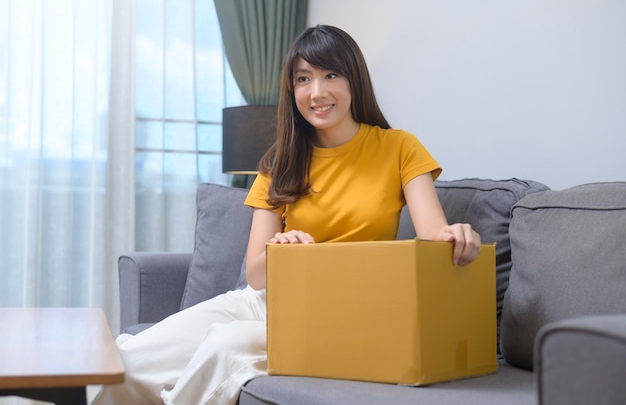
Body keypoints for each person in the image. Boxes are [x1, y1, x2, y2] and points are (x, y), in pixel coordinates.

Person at [92, 24, 480, 405]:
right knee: (129, 359)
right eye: (303, 79)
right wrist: (283, 251)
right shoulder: (281, 161)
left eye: (331, 75)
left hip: (346, 313)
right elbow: (257, 274)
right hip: (264, 301)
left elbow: (434, 235)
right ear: (291, 89)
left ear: (354, 80)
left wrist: (459, 237)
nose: (317, 92)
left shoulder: (399, 147)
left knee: (226, 344)